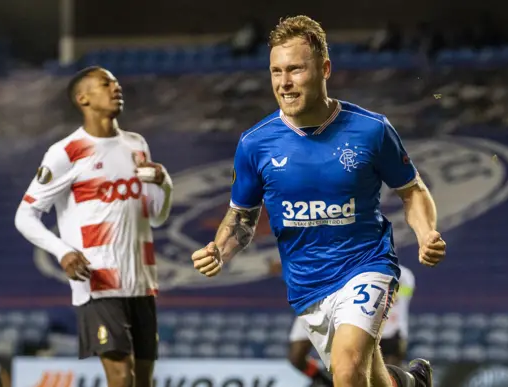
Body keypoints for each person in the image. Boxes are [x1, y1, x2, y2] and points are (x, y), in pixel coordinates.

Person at [190, 15, 445, 387]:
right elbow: (242, 218)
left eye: (295, 69)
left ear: (324, 68)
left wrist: (425, 234)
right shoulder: (255, 144)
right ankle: (408, 383)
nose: (284, 82)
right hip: (308, 284)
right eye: (276, 71)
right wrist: (219, 249)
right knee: (366, 377)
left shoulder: (371, 130)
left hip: (366, 265)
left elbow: (412, 188)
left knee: (346, 370)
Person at [14, 66, 173, 387]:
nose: (116, 88)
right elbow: (24, 216)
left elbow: (156, 217)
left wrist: (163, 183)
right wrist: (62, 252)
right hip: (97, 279)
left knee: (144, 381)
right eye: (106, 84)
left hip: (141, 279)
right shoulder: (66, 153)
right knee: (120, 376)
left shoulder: (136, 145)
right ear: (82, 98)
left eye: (116, 83)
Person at [277, 263, 415, 387]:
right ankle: (324, 380)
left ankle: (409, 381)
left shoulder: (401, 274)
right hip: (315, 290)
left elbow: (402, 297)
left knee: (361, 370)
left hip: (386, 329)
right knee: (297, 356)